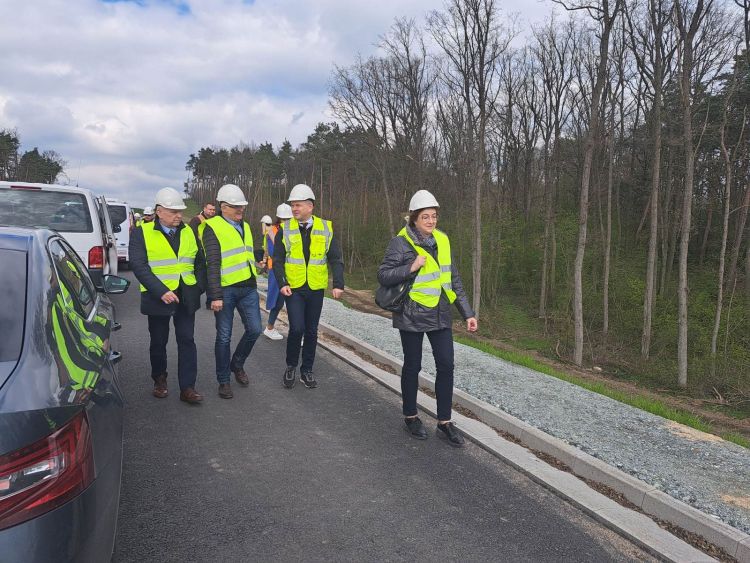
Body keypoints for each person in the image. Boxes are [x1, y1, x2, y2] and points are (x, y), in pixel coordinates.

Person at [377, 189, 477, 447]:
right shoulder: (400, 243)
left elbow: (453, 278)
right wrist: (410, 267)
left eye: (434, 216)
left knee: (446, 365)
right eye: (425, 217)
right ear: (414, 218)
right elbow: (384, 275)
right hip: (411, 313)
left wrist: (467, 313)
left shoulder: (442, 240)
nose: (431, 221)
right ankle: (411, 416)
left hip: (440, 312)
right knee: (413, 365)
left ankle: (444, 422)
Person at [129, 187, 206, 404]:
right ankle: (159, 379)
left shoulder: (188, 231)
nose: (179, 215)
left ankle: (188, 387)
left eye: (180, 211)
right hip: (158, 296)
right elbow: (139, 265)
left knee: (187, 340)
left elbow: (200, 262)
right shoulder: (142, 232)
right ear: (159, 211)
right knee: (158, 341)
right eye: (173, 211)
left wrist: (198, 287)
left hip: (186, 295)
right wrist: (161, 291)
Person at [273, 184, 344, 389]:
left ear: (310, 206)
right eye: (293, 205)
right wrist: (282, 283)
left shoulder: (326, 228)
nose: (294, 209)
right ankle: (291, 366)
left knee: (311, 331)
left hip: (315, 287)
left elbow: (335, 258)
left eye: (298, 205)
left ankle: (307, 370)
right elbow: (278, 260)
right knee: (297, 328)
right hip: (293, 288)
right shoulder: (285, 229)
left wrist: (338, 283)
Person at [200, 183, 263, 399]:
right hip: (225, 290)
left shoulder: (245, 226)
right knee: (224, 337)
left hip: (248, 287)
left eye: (242, 206)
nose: (240, 210)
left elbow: (244, 253)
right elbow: (212, 264)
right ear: (223, 206)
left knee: (255, 329)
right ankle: (224, 380)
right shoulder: (212, 227)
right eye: (236, 206)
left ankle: (237, 364)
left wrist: (257, 262)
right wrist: (215, 295)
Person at [262, 204, 292, 340]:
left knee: (294, 301)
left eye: (288, 219)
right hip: (276, 269)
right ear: (279, 218)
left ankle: (296, 331)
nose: (286, 221)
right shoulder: (272, 231)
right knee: (277, 300)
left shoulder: (292, 230)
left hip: (291, 269)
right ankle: (269, 328)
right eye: (284, 219)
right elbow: (276, 250)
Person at [189, 201, 217, 309]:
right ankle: (193, 299)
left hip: (212, 252)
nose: (212, 211)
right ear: (204, 209)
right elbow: (192, 237)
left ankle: (210, 302)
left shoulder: (216, 221)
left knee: (211, 279)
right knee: (201, 280)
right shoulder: (196, 220)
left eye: (213, 210)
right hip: (200, 253)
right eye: (210, 209)